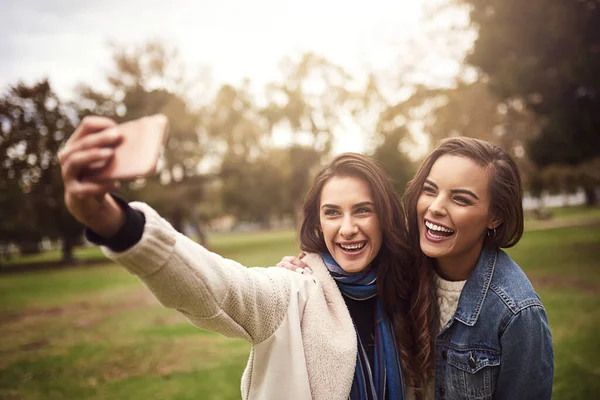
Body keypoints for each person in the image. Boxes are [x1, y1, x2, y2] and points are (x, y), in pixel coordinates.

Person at [58, 116, 435, 400]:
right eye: (332, 213)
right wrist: (111, 221)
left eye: (363, 211)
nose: (347, 228)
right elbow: (219, 286)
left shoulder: (408, 289)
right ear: (318, 223)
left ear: (385, 216)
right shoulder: (293, 290)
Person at [280, 137, 554, 399]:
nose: (435, 208)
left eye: (460, 199)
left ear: (495, 216)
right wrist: (300, 270)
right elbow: (345, 261)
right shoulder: (401, 261)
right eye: (430, 190)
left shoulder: (517, 313)